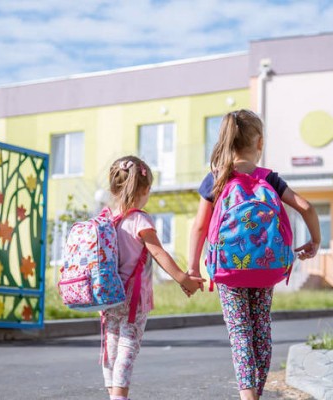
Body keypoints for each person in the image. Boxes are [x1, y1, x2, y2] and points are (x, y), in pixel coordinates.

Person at [188, 109, 321, 400]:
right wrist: (315, 240)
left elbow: (199, 226)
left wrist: (192, 267)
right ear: (259, 143)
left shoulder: (217, 179)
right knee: (261, 328)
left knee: (239, 333)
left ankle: (248, 396)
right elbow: (307, 207)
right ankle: (256, 393)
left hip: (228, 269)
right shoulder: (269, 178)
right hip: (265, 266)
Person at [101, 155, 204, 400]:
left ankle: (112, 394)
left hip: (108, 296)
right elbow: (158, 252)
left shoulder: (105, 219)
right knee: (128, 346)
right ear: (145, 190)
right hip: (134, 300)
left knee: (111, 347)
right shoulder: (140, 219)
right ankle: (119, 397)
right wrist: (183, 279)